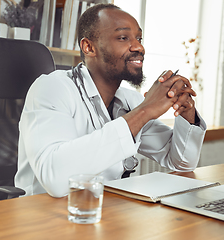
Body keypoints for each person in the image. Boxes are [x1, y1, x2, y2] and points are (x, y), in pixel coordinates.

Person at [15, 3, 207, 198]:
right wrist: (145, 111)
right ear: (88, 47)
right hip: (43, 219)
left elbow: (182, 163)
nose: (139, 47)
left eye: (139, 38)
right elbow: (56, 180)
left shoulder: (129, 100)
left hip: (106, 215)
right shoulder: (52, 88)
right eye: (123, 38)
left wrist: (186, 114)